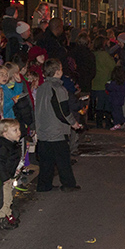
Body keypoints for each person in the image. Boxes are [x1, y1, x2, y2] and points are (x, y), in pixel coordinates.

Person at [34, 59, 81, 192]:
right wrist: (74, 123)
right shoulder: (58, 89)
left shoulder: (41, 88)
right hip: (56, 130)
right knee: (63, 160)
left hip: (43, 130)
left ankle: (44, 185)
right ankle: (68, 184)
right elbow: (63, 111)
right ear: (58, 71)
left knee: (46, 161)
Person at [0, 119, 24, 227]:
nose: (19, 132)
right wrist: (4, 178)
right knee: (4, 198)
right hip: (3, 178)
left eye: (18, 129)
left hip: (8, 175)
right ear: (5, 134)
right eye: (15, 130)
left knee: (9, 196)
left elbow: (11, 161)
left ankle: (8, 214)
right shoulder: (2, 146)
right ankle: (2, 218)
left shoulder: (12, 144)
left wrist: (15, 170)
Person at [91, 36, 116, 128]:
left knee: (98, 103)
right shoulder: (104, 55)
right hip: (104, 81)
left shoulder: (93, 54)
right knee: (105, 104)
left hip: (95, 82)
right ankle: (106, 122)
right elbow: (112, 66)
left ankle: (99, 121)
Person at [106, 66, 125, 130]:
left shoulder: (114, 83)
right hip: (120, 100)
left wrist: (107, 85)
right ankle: (117, 123)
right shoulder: (122, 83)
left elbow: (110, 88)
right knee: (118, 112)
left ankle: (124, 121)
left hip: (114, 100)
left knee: (116, 113)